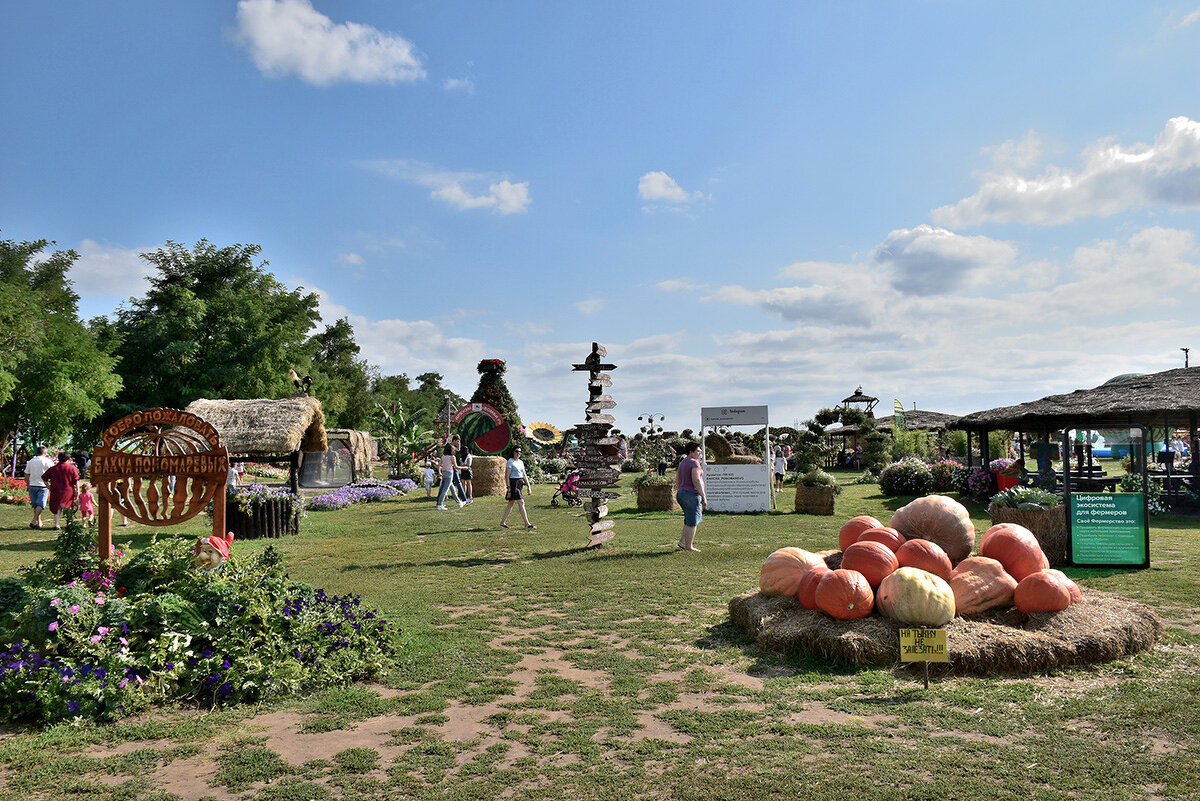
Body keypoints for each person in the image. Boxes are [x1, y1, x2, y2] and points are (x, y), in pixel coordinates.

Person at [675, 441, 706, 551]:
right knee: (692, 521)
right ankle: (689, 546)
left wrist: (679, 490)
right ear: (691, 452)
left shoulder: (683, 462)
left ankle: (682, 542)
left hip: (682, 493)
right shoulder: (694, 463)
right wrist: (703, 496)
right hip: (692, 494)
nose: (699, 453)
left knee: (688, 519)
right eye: (698, 451)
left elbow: (677, 479)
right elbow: (696, 480)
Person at [499, 445, 535, 529]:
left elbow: (524, 474)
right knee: (521, 502)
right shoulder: (510, 462)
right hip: (513, 483)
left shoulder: (521, 462)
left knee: (511, 503)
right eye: (517, 451)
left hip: (519, 483)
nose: (518, 453)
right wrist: (509, 488)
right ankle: (527, 524)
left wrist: (528, 486)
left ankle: (502, 522)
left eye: (520, 452)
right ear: (513, 452)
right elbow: (507, 476)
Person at [43, 452, 80, 529]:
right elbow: (76, 480)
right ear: (67, 459)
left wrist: (48, 486)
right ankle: (69, 523)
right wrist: (78, 490)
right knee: (69, 506)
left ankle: (57, 524)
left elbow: (44, 477)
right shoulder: (71, 468)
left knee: (57, 506)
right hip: (68, 490)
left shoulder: (53, 468)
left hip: (56, 489)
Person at [24, 446, 55, 529]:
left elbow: (26, 474)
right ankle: (34, 520)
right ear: (45, 453)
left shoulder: (31, 461)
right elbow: (53, 474)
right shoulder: (48, 461)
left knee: (36, 505)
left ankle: (38, 522)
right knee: (40, 504)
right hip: (43, 485)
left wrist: (28, 484)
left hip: (32, 484)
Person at [435, 440, 467, 510]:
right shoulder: (452, 457)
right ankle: (439, 505)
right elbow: (456, 467)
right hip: (449, 474)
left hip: (444, 473)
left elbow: (439, 465)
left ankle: (459, 502)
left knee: (452, 489)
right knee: (445, 490)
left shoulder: (443, 456)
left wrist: (440, 472)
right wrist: (464, 467)